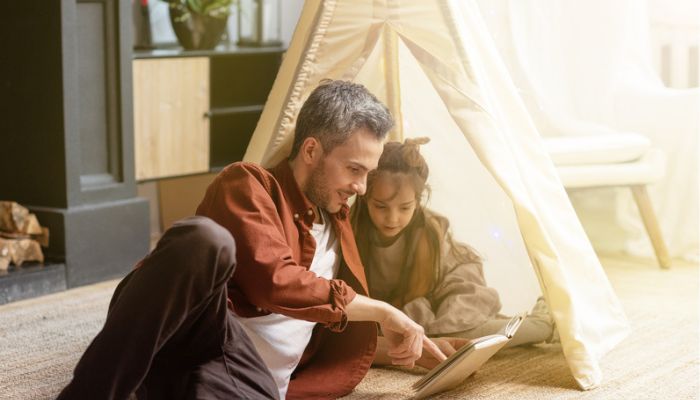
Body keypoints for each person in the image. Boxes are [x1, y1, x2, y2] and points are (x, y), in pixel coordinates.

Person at [57, 80, 446, 400]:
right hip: (204, 338)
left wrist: (439, 346)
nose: (361, 187)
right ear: (311, 150)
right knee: (202, 239)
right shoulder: (249, 185)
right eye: (354, 169)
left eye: (368, 173)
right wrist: (383, 311)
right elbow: (273, 281)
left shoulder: (344, 218)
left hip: (247, 383)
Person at [351, 138, 556, 368]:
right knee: (381, 337)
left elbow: (448, 287)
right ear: (365, 198)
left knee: (461, 337)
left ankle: (543, 322)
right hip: (394, 312)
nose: (392, 218)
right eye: (381, 206)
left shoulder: (429, 233)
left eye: (405, 207)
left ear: (418, 202)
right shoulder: (351, 230)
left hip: (444, 292)